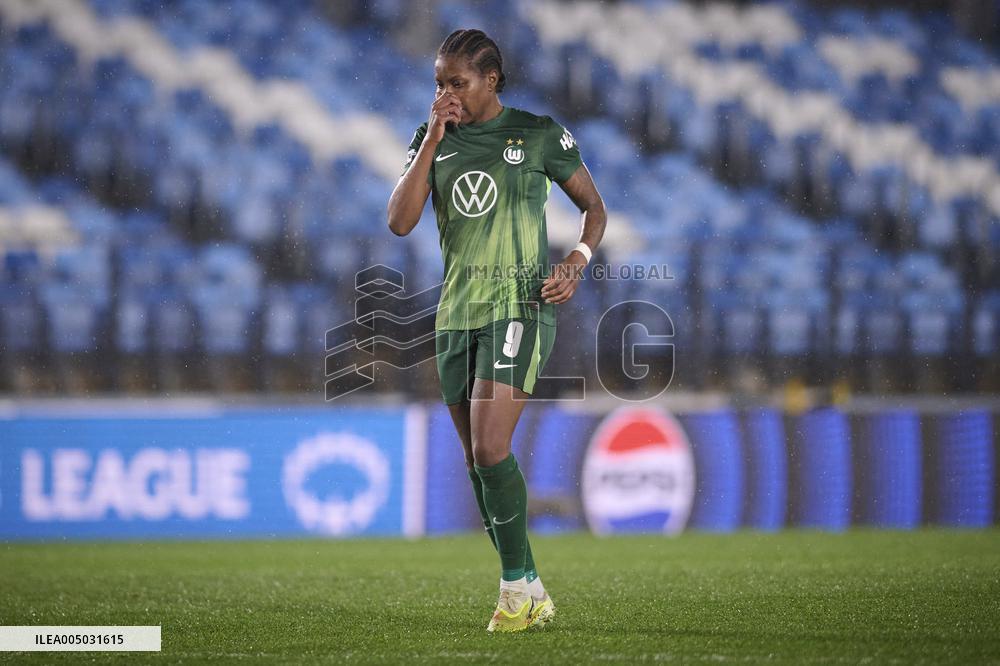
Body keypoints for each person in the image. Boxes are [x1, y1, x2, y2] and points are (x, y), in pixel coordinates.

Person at [387, 28, 607, 633]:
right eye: (438, 83)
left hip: (519, 304)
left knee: (490, 446)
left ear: (491, 81)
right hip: (456, 313)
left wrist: (576, 261)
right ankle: (530, 585)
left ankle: (514, 590)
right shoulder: (435, 138)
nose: (446, 94)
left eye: (456, 83)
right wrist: (432, 138)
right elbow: (400, 221)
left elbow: (595, 207)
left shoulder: (537, 135)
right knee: (475, 459)